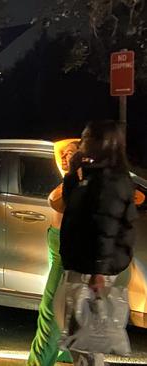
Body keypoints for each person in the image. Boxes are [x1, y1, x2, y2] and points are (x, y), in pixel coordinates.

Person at [59, 120, 138, 365]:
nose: (81, 143)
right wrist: (73, 174)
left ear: (101, 143)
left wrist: (98, 271)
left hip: (90, 268)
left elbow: (106, 226)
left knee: (85, 338)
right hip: (85, 264)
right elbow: (72, 204)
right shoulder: (97, 176)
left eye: (86, 138)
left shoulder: (110, 181)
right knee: (81, 336)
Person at [27, 140, 78, 366]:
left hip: (66, 248)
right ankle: (65, 353)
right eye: (65, 155)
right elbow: (57, 148)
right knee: (65, 303)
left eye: (71, 154)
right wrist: (71, 153)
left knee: (50, 310)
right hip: (56, 242)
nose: (64, 157)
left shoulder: (82, 180)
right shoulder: (70, 176)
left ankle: (39, 362)